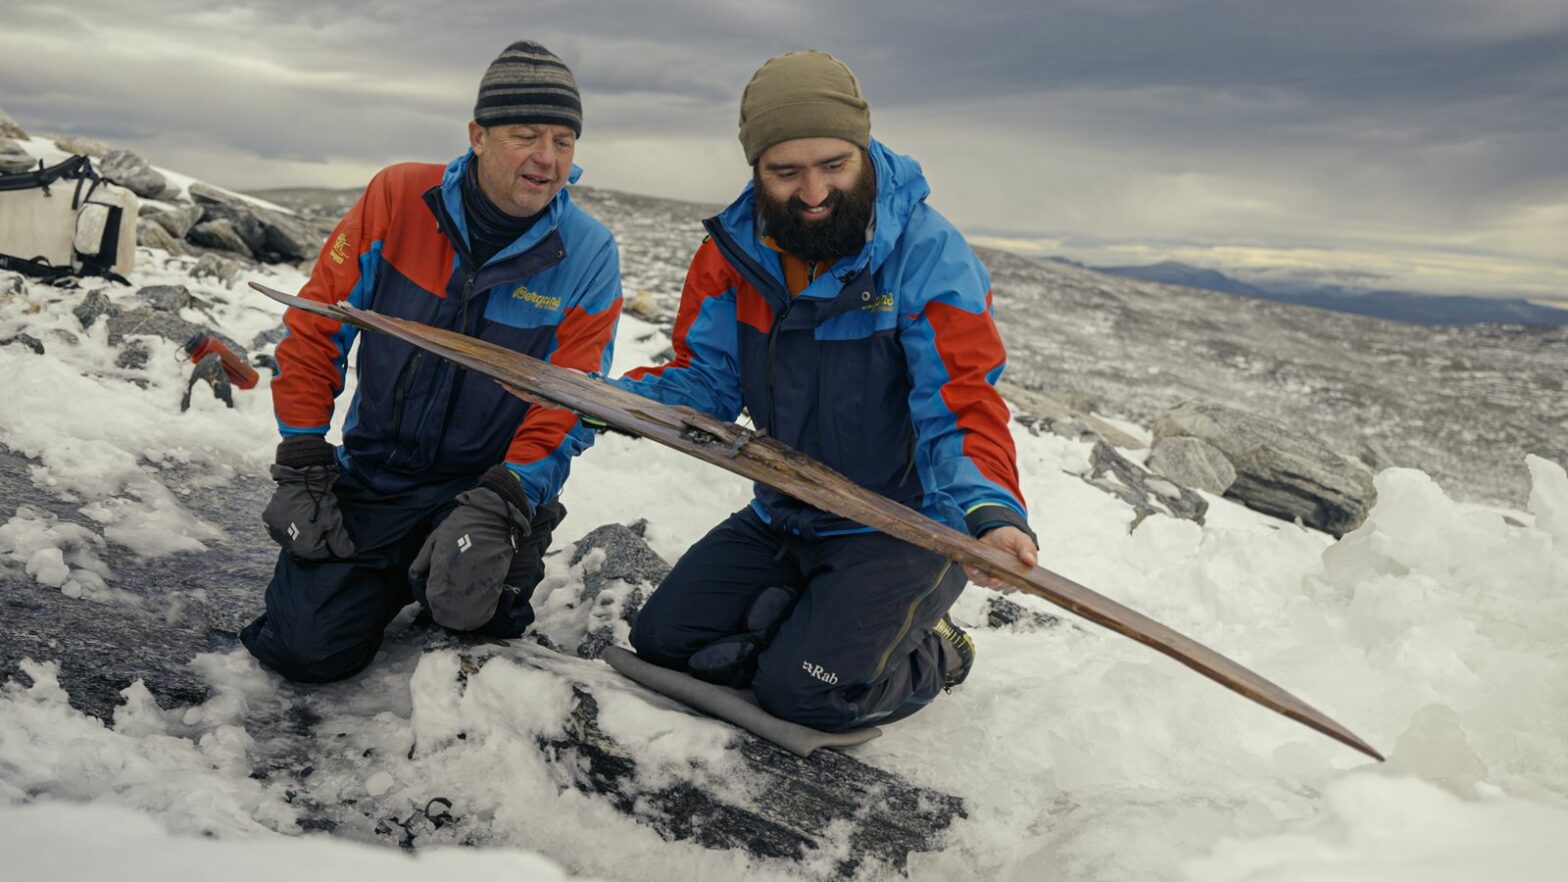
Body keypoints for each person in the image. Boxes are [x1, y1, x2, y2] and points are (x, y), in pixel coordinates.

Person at [616, 51, 1036, 731]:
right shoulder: (734, 255)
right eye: (786, 172)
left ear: (863, 153)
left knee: (805, 696)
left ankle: (937, 653)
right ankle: (813, 618)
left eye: (833, 166)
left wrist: (989, 509)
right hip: (788, 513)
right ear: (755, 171)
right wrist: (612, 399)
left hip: (906, 529)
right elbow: (709, 382)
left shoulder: (929, 255)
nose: (813, 193)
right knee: (666, 644)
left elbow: (961, 398)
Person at [241, 41, 622, 683]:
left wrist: (509, 495)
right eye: (526, 135)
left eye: (564, 140)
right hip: (377, 476)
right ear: (477, 135)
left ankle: (505, 543)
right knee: (303, 650)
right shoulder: (397, 198)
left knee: (475, 620)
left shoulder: (585, 253)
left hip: (483, 487)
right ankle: (394, 568)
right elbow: (316, 326)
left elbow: (572, 400)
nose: (547, 158)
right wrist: (303, 459)